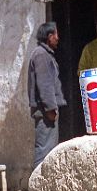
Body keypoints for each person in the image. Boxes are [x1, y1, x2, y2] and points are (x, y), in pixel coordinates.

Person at [28, 22, 66, 169]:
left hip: (46, 112)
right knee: (44, 152)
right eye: (56, 35)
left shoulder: (43, 54)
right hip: (45, 113)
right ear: (50, 37)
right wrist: (50, 109)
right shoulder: (41, 55)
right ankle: (36, 188)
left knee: (48, 150)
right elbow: (45, 85)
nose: (58, 38)